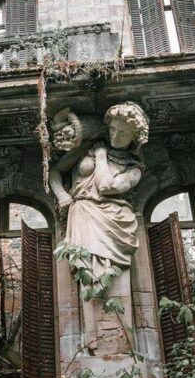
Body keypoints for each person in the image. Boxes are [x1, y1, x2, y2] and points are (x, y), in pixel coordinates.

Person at [49, 102, 148, 277]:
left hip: (114, 218)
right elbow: (56, 171)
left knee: (110, 276)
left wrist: (101, 156)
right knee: (87, 274)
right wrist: (62, 195)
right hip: (82, 213)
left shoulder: (134, 170)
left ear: (134, 137)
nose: (115, 136)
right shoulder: (87, 149)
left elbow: (105, 186)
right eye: (112, 130)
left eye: (123, 133)